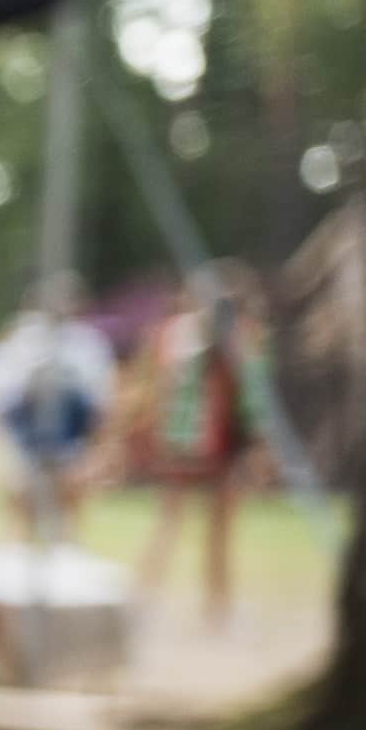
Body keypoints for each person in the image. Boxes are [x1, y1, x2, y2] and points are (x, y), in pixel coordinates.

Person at [126, 265, 259, 629]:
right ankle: (215, 609)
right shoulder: (237, 335)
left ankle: (148, 602)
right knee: (213, 531)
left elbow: (152, 390)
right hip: (214, 446)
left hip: (182, 445)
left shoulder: (172, 333)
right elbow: (249, 398)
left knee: (173, 523)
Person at [0, 270, 114, 551]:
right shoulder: (22, 340)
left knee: (69, 499)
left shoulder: (87, 343)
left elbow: (98, 397)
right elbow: (5, 389)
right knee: (23, 497)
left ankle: (68, 550)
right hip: (28, 433)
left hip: (71, 435)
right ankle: (17, 548)